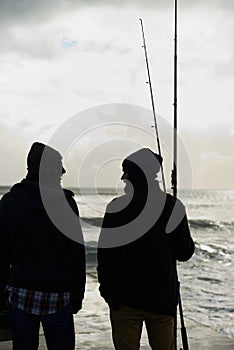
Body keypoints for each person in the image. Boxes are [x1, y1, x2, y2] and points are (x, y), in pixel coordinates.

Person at [97, 148, 194, 350]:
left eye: (125, 172)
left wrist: (108, 293)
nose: (122, 177)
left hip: (124, 302)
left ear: (134, 175)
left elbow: (105, 258)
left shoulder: (116, 207)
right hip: (162, 301)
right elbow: (185, 253)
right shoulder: (172, 206)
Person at [0, 142, 86, 350]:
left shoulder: (10, 202)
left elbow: (1, 253)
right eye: (59, 166)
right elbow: (77, 254)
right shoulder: (65, 203)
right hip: (59, 297)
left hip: (20, 294)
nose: (63, 172)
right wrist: (78, 295)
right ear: (46, 169)